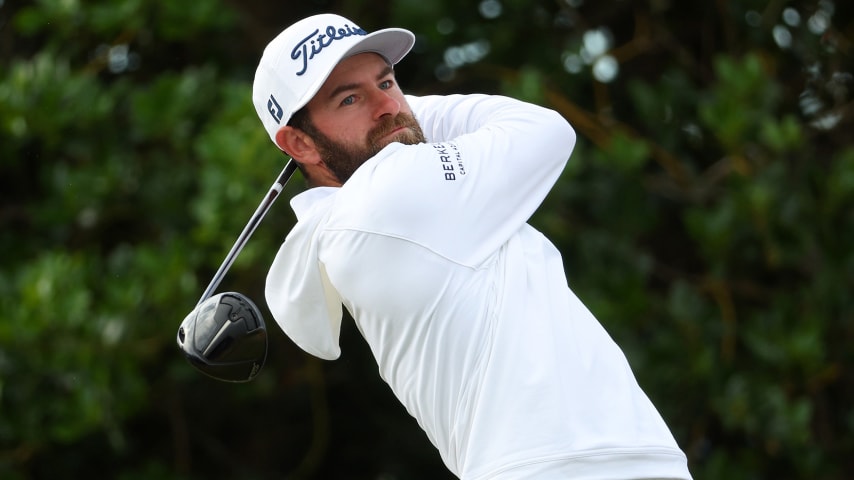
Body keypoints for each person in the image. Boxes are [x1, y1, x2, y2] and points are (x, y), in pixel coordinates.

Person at [253, 13, 692, 480]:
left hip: (613, 460)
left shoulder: (361, 211)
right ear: (298, 143)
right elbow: (545, 129)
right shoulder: (382, 199)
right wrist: (403, 115)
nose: (387, 104)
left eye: (388, 81)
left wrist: (386, 112)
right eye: (350, 98)